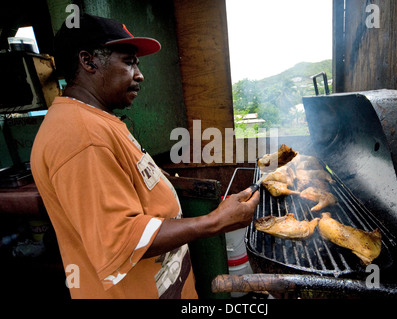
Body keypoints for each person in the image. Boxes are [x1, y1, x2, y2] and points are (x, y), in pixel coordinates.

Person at [30, 14, 259, 299]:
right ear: (88, 62)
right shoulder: (81, 136)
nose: (139, 74)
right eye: (128, 61)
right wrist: (215, 221)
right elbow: (121, 240)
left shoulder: (97, 121)